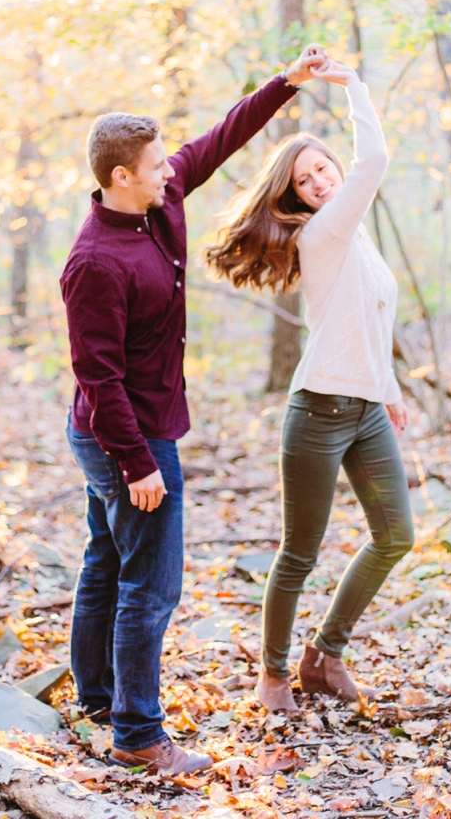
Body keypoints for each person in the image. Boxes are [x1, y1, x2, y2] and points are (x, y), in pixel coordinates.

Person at [59, 44, 328, 773]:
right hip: (124, 437)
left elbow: (217, 139)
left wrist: (285, 85)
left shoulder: (162, 201)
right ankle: (138, 735)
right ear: (121, 177)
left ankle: (96, 700)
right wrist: (137, 463)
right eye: (154, 166)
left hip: (138, 426)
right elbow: (98, 374)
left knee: (106, 563)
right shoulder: (93, 263)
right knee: (153, 584)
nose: (169, 170)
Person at [206, 57, 414, 712]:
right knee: (300, 553)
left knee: (396, 535)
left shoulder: (358, 239)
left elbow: (369, 317)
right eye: (307, 178)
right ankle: (271, 676)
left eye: (324, 167)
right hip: (319, 413)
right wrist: (353, 82)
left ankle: (324, 655)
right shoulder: (323, 233)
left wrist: (389, 389)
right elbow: (373, 159)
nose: (322, 180)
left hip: (365, 411)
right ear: (295, 194)